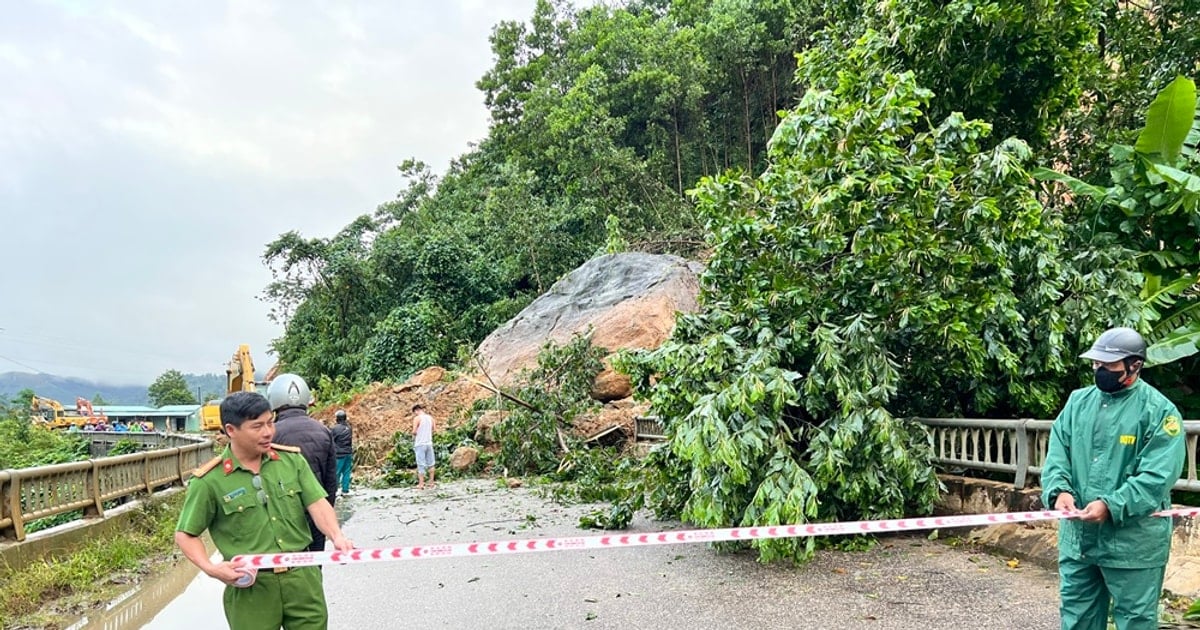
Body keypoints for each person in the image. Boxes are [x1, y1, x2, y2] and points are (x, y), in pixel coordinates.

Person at [1041, 327, 1186, 630]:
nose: (1099, 370)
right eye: (1096, 364)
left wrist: (1111, 504)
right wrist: (1059, 493)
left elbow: (1156, 477)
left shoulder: (1160, 412)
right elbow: (1058, 454)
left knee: (1135, 620)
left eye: (1108, 366)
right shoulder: (1077, 403)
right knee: (1077, 618)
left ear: (1134, 366)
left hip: (1133, 544)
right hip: (1079, 540)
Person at [175, 391, 353, 630]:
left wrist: (337, 536)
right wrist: (212, 569)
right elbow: (186, 534)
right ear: (231, 430)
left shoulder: (291, 461)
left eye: (270, 422)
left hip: (302, 580)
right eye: (257, 426)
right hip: (251, 588)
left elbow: (317, 503)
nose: (268, 432)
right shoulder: (209, 481)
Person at [266, 374, 338, 552]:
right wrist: (326, 512)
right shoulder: (323, 430)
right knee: (315, 562)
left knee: (289, 566)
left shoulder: (269, 433)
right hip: (317, 510)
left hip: (284, 514)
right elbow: (331, 480)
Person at [412, 404, 435, 489]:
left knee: (421, 464)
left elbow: (414, 431)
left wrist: (414, 434)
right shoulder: (430, 418)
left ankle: (421, 484)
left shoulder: (417, 418)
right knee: (431, 464)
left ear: (416, 411)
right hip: (429, 443)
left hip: (420, 444)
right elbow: (434, 429)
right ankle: (431, 483)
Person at [330, 410, 353, 495]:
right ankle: (345, 490)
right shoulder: (349, 428)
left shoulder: (335, 429)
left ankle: (334, 490)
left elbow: (331, 440)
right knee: (347, 472)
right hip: (348, 453)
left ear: (337, 419)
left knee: (337, 473)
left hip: (339, 455)